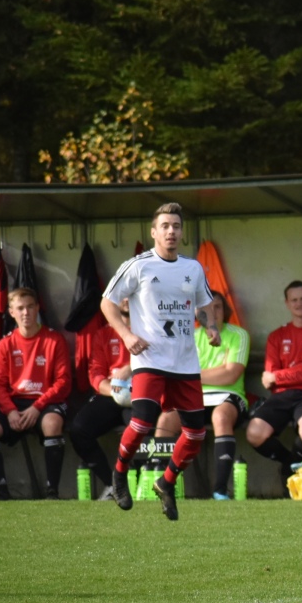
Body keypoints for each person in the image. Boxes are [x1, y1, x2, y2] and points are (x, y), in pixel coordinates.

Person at [100, 202, 219, 520]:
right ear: (154, 232)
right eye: (165, 226)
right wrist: (127, 336)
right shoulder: (138, 265)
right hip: (149, 358)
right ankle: (119, 474)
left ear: (182, 232)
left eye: (176, 226)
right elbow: (107, 303)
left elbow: (205, 303)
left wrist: (210, 327)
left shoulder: (193, 268)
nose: (171, 231)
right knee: (142, 422)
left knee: (196, 434)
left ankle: (166, 483)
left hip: (185, 363)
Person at [0, 287, 72, 499]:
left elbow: (63, 382)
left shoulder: (54, 340)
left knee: (52, 424)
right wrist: (10, 411)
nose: (25, 312)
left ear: (37, 308)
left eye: (30, 307)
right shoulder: (5, 344)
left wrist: (37, 407)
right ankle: (2, 493)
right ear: (11, 312)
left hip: (45, 402)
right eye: (20, 308)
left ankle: (52, 492)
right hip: (14, 405)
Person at [242, 281, 302, 484]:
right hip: (281, 395)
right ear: (286, 303)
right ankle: (290, 464)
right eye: (294, 300)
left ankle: (289, 472)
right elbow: (269, 378)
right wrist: (301, 370)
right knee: (254, 433)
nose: (299, 303)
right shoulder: (276, 336)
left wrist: (279, 376)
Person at [194, 291, 251, 499]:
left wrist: (194, 374)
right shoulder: (189, 337)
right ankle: (161, 482)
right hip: (195, 396)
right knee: (167, 418)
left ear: (224, 310)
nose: (212, 312)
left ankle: (219, 490)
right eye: (206, 308)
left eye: (216, 307)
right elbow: (177, 375)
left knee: (221, 416)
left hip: (229, 395)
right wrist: (218, 370)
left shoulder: (238, 334)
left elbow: (231, 375)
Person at [69, 311, 130, 501]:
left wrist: (131, 367)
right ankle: (112, 485)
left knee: (139, 430)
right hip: (111, 395)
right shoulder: (103, 334)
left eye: (130, 296)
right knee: (79, 429)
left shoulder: (149, 329)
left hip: (142, 394)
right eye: (122, 297)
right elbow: (96, 374)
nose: (126, 299)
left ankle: (142, 483)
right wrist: (114, 391)